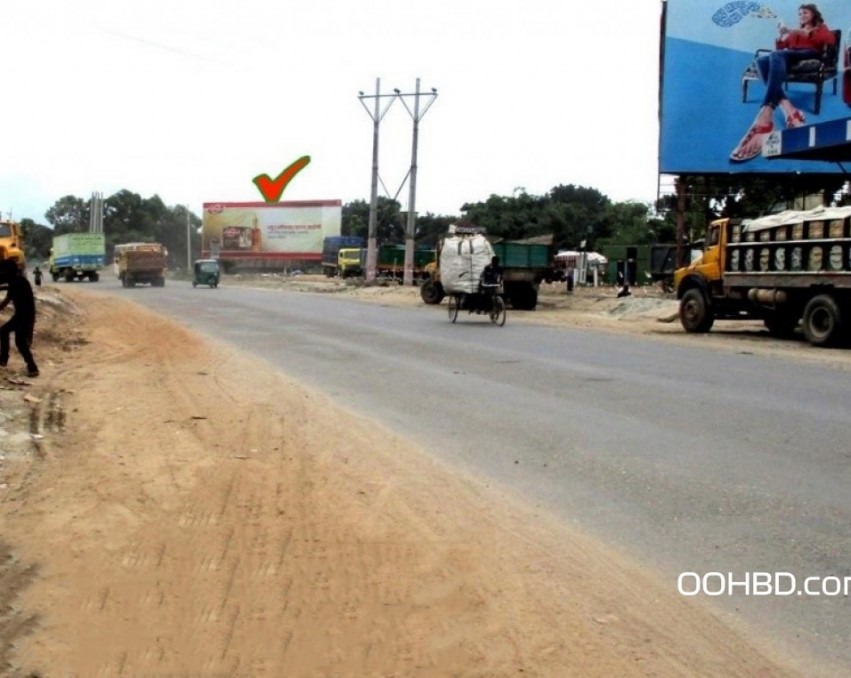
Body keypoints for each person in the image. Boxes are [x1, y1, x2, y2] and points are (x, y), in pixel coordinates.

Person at [730, 4, 836, 162]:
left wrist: (801, 32)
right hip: (791, 55)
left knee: (776, 56)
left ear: (813, 14)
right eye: (800, 13)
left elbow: (829, 39)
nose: (802, 15)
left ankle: (766, 113)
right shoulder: (795, 31)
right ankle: (789, 108)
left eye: (805, 12)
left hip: (810, 54)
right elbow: (783, 48)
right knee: (762, 60)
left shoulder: (821, 28)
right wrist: (781, 38)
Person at [0, 260, 39, 378]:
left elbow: (6, 300)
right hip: (24, 315)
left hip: (23, 316)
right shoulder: (19, 280)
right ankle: (32, 367)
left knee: (6, 333)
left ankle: (4, 359)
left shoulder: (17, 282)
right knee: (19, 342)